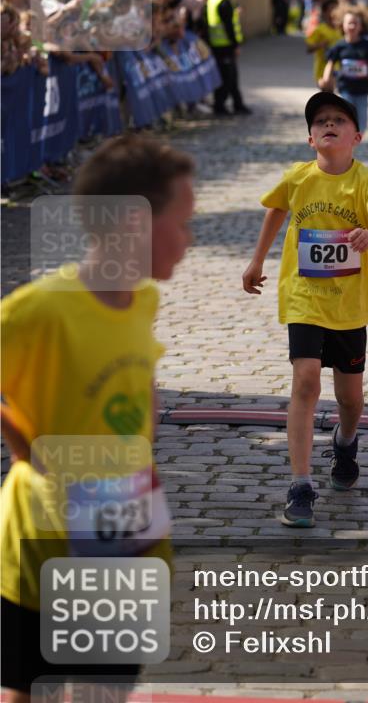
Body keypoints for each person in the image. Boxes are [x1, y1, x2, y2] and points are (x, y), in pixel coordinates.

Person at [1, 134, 195, 702]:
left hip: (124, 533)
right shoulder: (43, 310)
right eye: (181, 224)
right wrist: (25, 448)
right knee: (28, 684)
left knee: (106, 687)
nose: (189, 240)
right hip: (42, 541)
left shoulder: (144, 300)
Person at [241, 91, 368, 527]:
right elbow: (276, 208)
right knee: (306, 381)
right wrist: (258, 259)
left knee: (350, 398)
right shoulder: (297, 177)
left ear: (357, 136)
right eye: (320, 122)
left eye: (338, 120)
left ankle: (346, 440)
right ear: (312, 139)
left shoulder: (367, 181)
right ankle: (300, 484)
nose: (328, 124)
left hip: (351, 304)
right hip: (304, 296)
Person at [319, 9, 368, 134]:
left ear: (360, 26)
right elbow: (330, 63)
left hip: (363, 89)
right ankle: (346, 141)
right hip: (345, 88)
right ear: (343, 26)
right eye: (349, 23)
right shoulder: (339, 46)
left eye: (355, 23)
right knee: (346, 117)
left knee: (362, 123)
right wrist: (326, 79)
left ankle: (354, 139)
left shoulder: (366, 45)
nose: (352, 26)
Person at [205, 0, 252, 116]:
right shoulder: (223, 0)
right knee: (227, 77)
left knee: (231, 76)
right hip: (224, 45)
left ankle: (237, 104)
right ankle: (220, 105)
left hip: (217, 44)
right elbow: (228, 26)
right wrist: (235, 45)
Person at [305, 0, 340, 85]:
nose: (334, 12)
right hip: (322, 69)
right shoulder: (319, 30)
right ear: (324, 13)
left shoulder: (342, 29)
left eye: (336, 9)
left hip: (338, 69)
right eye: (331, 9)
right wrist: (320, 45)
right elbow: (309, 49)